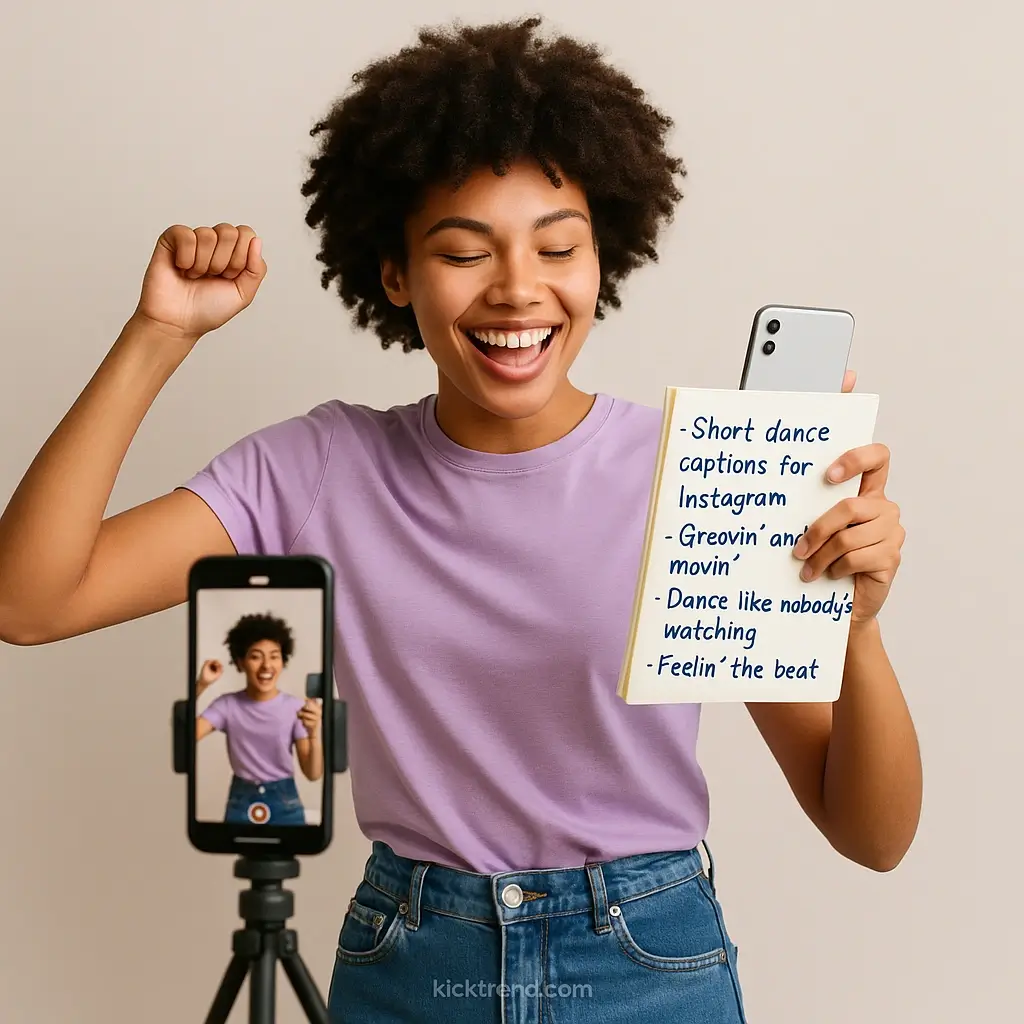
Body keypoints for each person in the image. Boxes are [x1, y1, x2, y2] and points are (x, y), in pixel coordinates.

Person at [0, 16, 921, 1022]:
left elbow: (869, 833)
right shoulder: (315, 467)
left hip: (645, 962)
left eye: (557, 246)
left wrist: (856, 633)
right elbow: (33, 599)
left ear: (601, 259)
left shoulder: (693, 476)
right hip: (412, 960)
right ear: (394, 274)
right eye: (462, 250)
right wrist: (158, 335)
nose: (518, 288)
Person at [194, 612, 323, 825]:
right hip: (241, 800)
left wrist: (314, 732)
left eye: (274, 656)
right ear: (241, 662)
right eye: (256, 656)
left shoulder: (295, 708)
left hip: (285, 802)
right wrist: (201, 685)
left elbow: (313, 773)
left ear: (283, 660)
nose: (266, 666)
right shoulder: (227, 705)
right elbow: (187, 736)